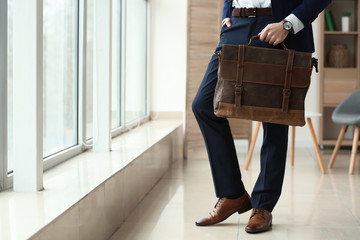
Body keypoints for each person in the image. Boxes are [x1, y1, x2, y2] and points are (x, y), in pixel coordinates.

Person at [192, 0, 331, 233]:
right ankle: (233, 193)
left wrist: (288, 24)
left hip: (278, 27)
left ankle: (263, 206)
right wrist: (227, 13)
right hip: (235, 26)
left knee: (275, 118)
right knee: (203, 105)